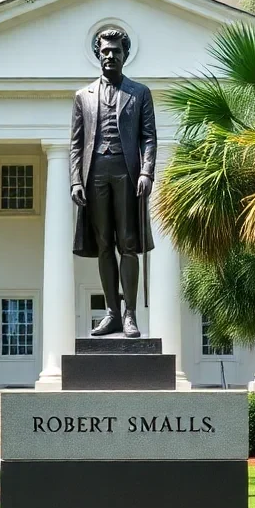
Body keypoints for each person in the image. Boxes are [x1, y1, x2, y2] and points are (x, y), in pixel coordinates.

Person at [69, 28, 156, 338]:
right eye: (105, 51)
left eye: (115, 51)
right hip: (96, 176)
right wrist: (75, 180)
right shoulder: (83, 96)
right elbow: (76, 144)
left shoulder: (140, 93)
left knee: (128, 245)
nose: (109, 56)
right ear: (98, 54)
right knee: (105, 245)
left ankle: (130, 314)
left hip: (127, 174)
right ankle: (112, 314)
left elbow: (148, 138)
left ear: (124, 54)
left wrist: (146, 172)